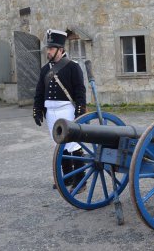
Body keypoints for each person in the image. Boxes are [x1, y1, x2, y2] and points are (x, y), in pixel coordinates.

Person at [33, 29, 87, 193]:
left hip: (67, 110)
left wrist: (79, 111)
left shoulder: (73, 67)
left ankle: (80, 180)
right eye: (48, 48)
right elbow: (39, 91)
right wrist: (37, 109)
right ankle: (67, 178)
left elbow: (80, 91)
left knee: (73, 145)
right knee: (59, 144)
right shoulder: (45, 69)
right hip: (51, 111)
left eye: (50, 48)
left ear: (60, 49)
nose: (48, 52)